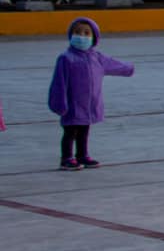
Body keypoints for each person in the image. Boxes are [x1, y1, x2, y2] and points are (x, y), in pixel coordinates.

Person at [48, 17, 134, 170]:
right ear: (71, 34)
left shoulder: (96, 57)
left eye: (86, 33)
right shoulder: (66, 58)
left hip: (89, 105)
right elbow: (59, 83)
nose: (81, 36)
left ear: (94, 37)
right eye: (77, 32)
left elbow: (113, 64)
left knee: (84, 131)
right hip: (72, 104)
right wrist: (59, 103)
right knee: (70, 132)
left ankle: (82, 155)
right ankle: (66, 158)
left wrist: (129, 68)